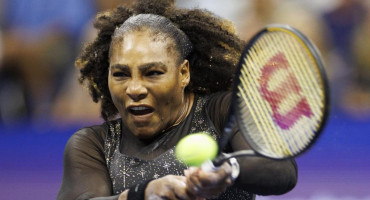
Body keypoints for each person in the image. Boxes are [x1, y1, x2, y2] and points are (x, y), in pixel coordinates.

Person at [57, 0, 297, 199]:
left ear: (184, 73)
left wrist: (228, 169)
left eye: (152, 73)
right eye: (120, 74)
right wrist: (146, 193)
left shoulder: (225, 111)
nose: (134, 88)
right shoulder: (93, 145)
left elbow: (281, 170)